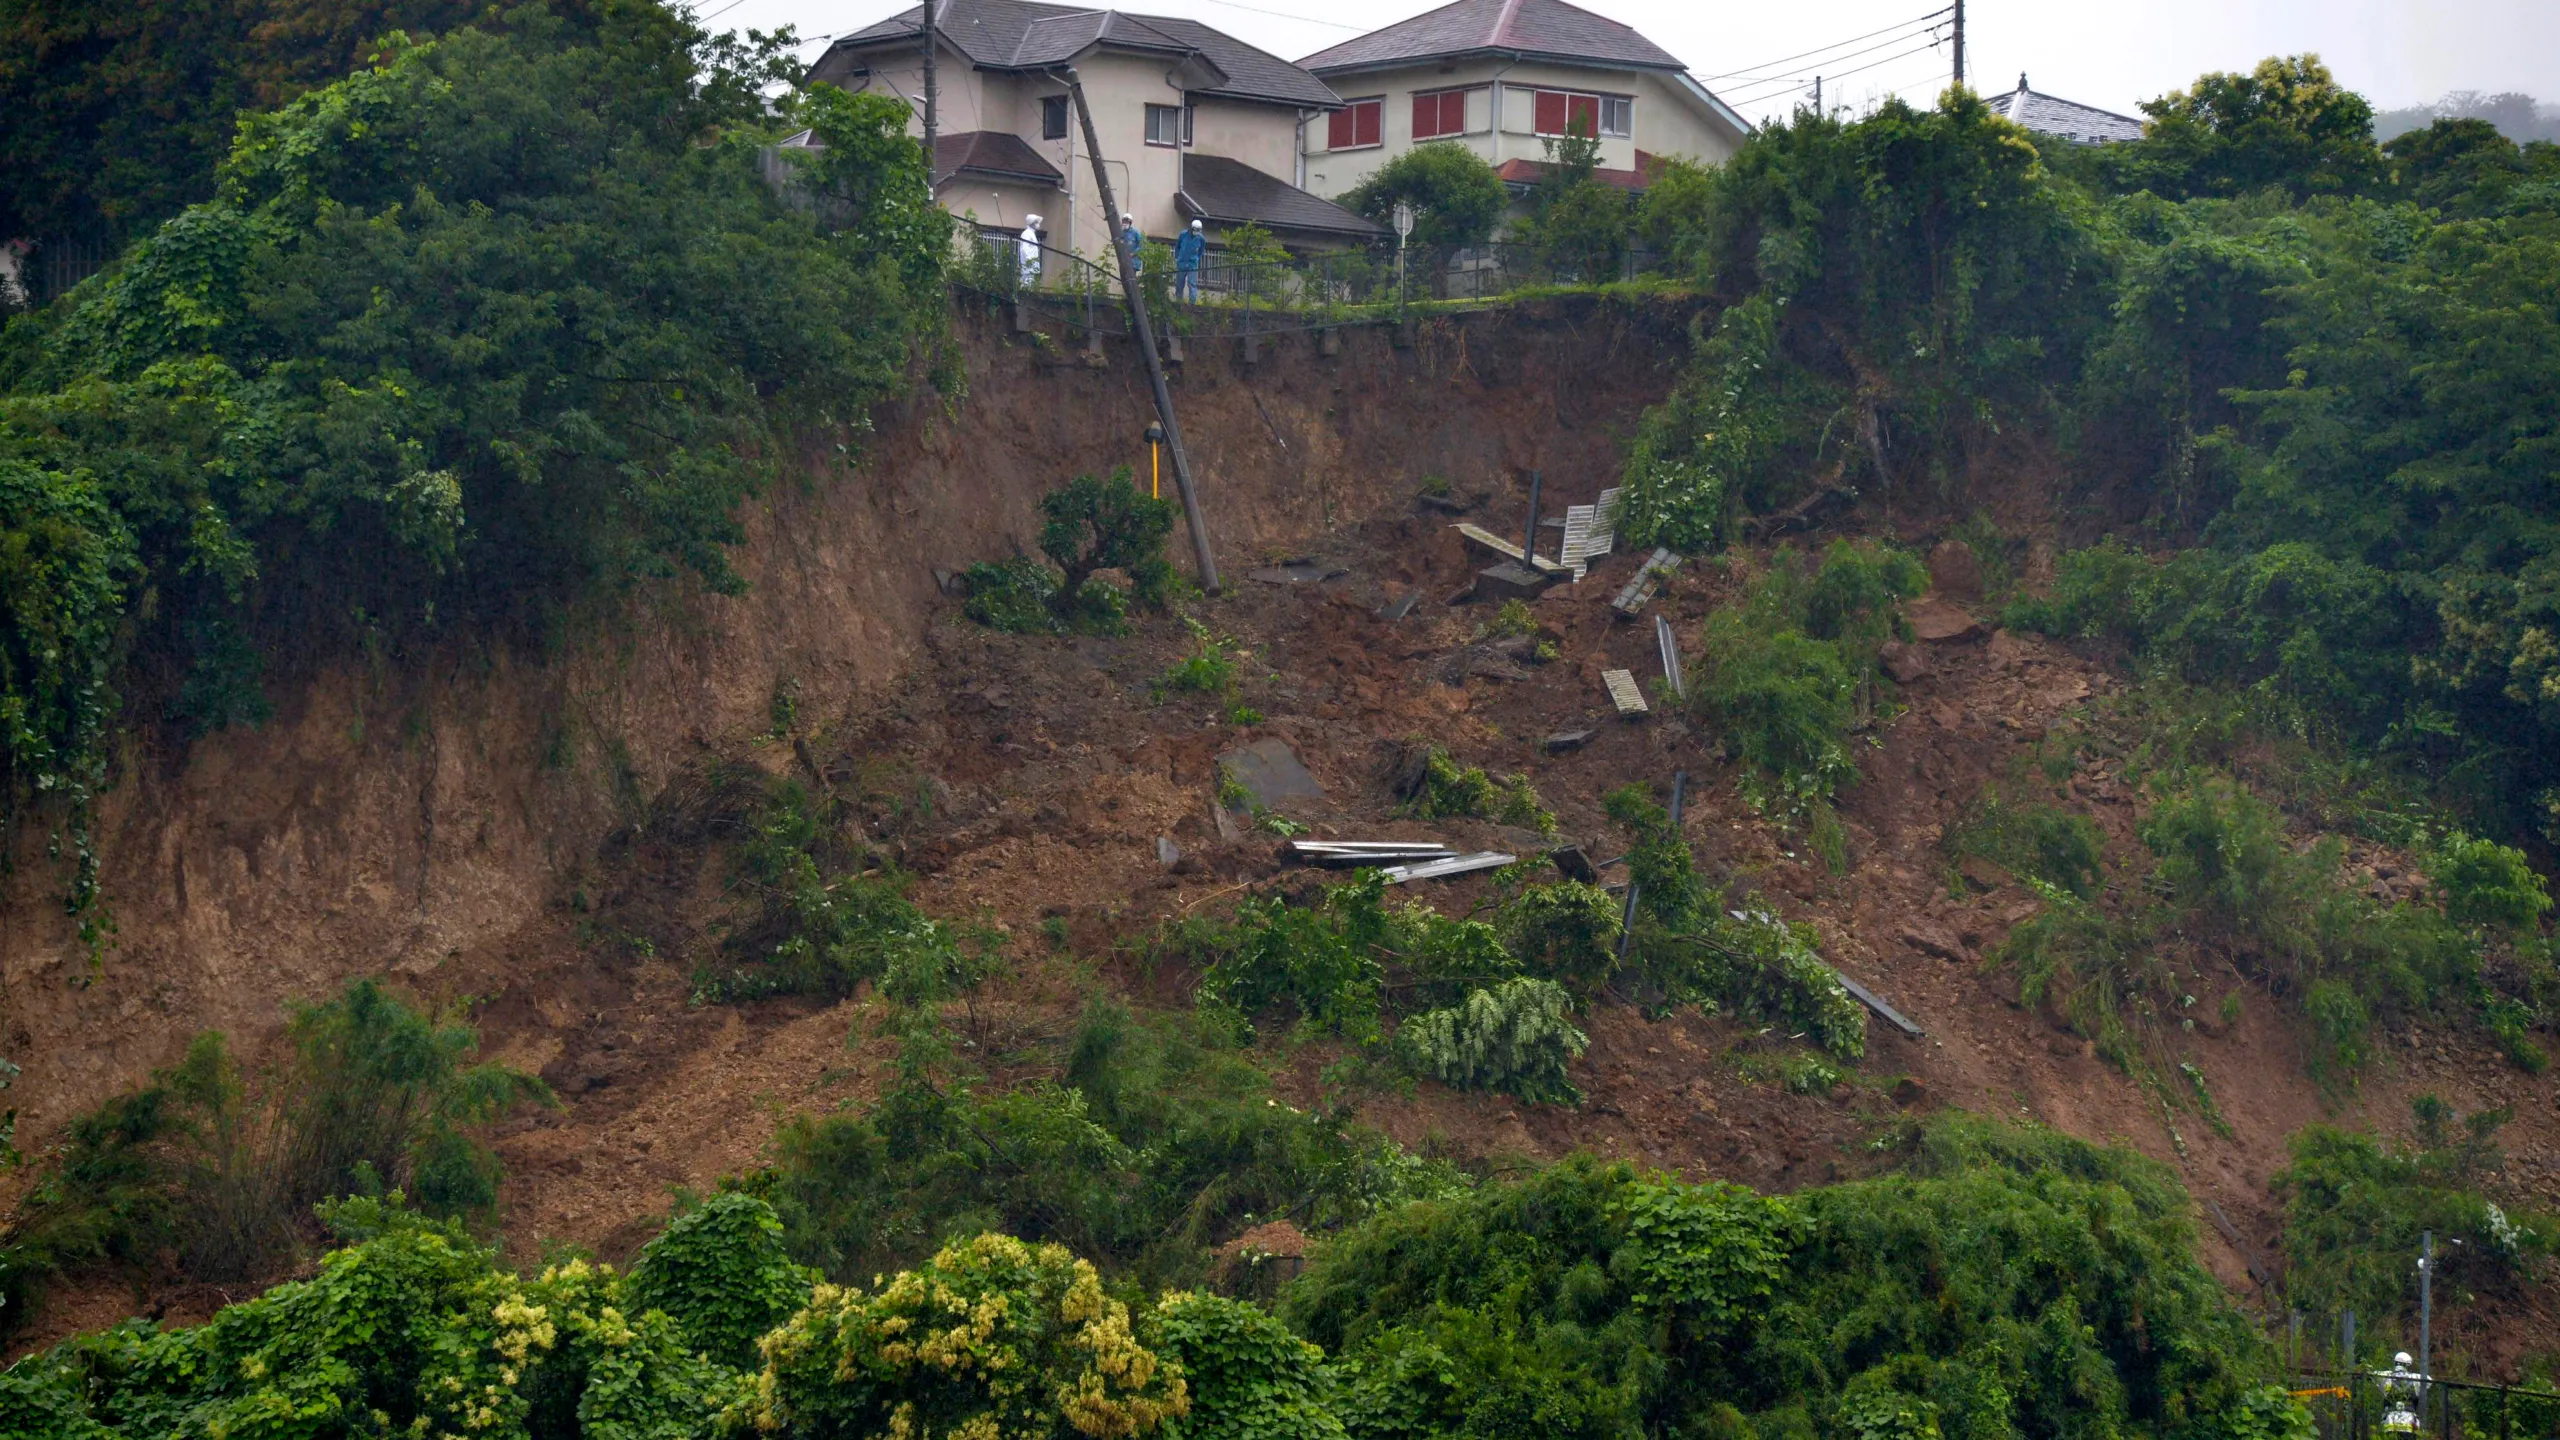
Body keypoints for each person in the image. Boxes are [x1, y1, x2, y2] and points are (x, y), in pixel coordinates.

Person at [2379, 1351, 2422, 1434]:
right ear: (2407, 1365)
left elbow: (2370, 1374)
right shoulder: (2416, 1378)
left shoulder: (2385, 1376)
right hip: (2409, 1423)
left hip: (2390, 1422)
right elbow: (2429, 1380)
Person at [1174, 218, 1205, 302]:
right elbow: (1177, 246)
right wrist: (1177, 257)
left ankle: (1192, 304)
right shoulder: (1183, 234)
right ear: (1191, 228)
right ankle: (1178, 302)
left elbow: (1201, 251)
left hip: (1192, 264)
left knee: (1192, 283)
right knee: (1179, 284)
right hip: (1182, 263)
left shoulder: (1201, 238)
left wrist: (1197, 259)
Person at [1018, 215, 1043, 290]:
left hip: (1032, 264)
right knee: (1026, 282)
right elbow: (1024, 248)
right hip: (1028, 264)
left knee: (1030, 282)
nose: (1038, 224)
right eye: (1036, 222)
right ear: (1032, 223)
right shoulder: (1026, 233)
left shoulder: (1032, 234)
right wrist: (1029, 260)